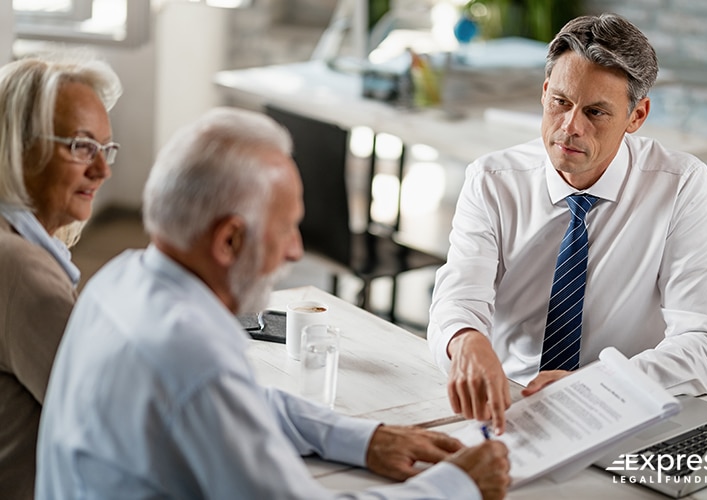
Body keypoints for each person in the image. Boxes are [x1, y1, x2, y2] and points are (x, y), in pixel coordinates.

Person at [36, 107, 510, 499]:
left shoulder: (117, 280)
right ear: (229, 241)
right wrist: (457, 485)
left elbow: (249, 403)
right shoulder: (192, 359)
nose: (296, 251)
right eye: (286, 228)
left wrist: (364, 438)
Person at [427, 13, 707, 435]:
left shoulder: (680, 185)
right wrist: (465, 339)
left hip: (623, 406)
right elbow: (458, 296)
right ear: (543, 94)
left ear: (636, 116)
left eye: (595, 112)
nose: (571, 128)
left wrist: (598, 384)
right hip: (511, 402)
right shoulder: (493, 180)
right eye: (560, 102)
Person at [0, 52, 121, 499]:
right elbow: (110, 431)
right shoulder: (21, 272)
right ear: (19, 146)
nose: (103, 170)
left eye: (105, 148)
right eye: (80, 146)